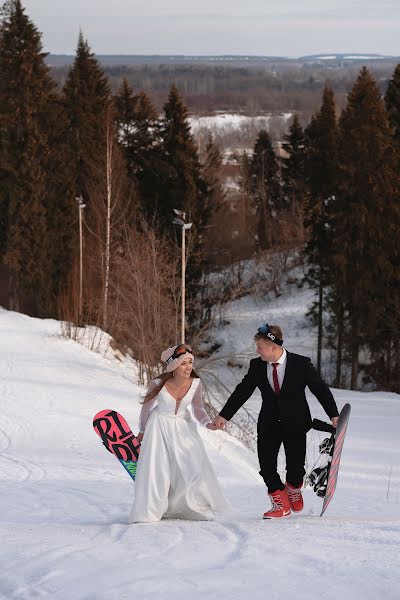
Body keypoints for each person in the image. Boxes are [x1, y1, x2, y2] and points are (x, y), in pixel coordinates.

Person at [212, 324, 339, 519]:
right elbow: (242, 391)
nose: (257, 350)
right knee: (266, 466)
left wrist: (333, 415)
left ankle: (293, 488)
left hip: (296, 423)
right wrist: (224, 415)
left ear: (273, 346)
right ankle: (279, 501)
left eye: (260, 347)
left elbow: (320, 389)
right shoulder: (257, 366)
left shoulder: (301, 364)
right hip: (268, 424)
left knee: (296, 469)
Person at [129, 343, 230, 523]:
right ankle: (151, 511)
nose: (189, 367)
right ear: (174, 366)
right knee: (159, 470)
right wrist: (142, 432)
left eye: (190, 362)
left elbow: (198, 409)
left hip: (183, 427)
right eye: (184, 363)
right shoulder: (158, 383)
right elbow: (146, 410)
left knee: (191, 465)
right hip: (159, 427)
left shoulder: (195, 383)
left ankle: (185, 506)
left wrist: (208, 424)